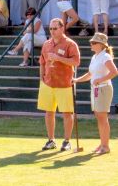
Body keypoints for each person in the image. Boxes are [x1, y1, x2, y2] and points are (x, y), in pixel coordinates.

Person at [37, 18, 80, 151]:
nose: (52, 31)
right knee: (49, 112)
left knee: (67, 113)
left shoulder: (70, 44)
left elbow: (76, 62)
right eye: (50, 28)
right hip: (48, 83)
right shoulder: (46, 44)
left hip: (64, 83)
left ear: (62, 28)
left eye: (55, 28)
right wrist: (41, 77)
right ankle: (51, 140)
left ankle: (67, 141)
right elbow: (42, 62)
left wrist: (59, 58)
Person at [73, 33, 117, 154]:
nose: (91, 44)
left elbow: (114, 72)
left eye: (94, 43)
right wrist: (77, 80)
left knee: (102, 117)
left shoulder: (106, 56)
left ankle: (105, 146)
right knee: (99, 117)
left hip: (104, 89)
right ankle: (102, 144)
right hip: (96, 89)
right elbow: (90, 74)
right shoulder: (95, 57)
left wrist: (100, 80)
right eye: (91, 42)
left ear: (101, 45)